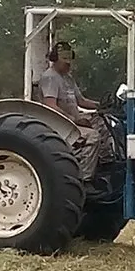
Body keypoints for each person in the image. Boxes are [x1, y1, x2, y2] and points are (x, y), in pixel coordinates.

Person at [38, 40, 109, 181]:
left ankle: (104, 163)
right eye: (65, 62)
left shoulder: (68, 78)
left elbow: (81, 101)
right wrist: (74, 120)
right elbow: (50, 105)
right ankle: (84, 179)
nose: (69, 65)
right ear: (55, 59)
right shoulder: (50, 78)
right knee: (93, 136)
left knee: (104, 122)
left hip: (73, 120)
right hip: (60, 125)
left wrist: (102, 106)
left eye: (70, 61)